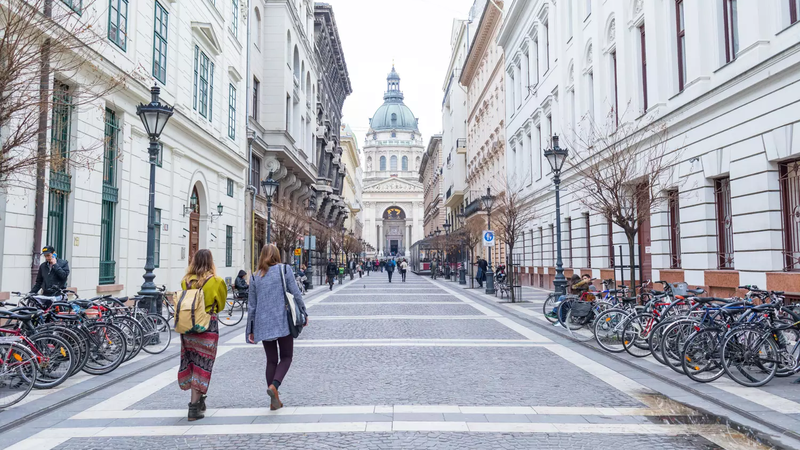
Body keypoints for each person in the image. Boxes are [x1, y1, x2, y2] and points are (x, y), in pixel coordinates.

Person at [247, 244, 308, 411]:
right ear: (277, 255)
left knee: (271, 360)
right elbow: (295, 293)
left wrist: (250, 329)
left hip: (263, 322)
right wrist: (304, 313)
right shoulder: (284, 270)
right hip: (282, 320)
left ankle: (273, 400)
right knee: (286, 357)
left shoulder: (254, 277)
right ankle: (274, 386)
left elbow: (251, 306)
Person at [178, 249, 228, 422]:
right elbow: (220, 305)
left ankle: (198, 402)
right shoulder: (216, 281)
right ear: (210, 262)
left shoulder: (185, 281)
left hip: (188, 330)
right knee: (203, 365)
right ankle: (194, 406)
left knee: (193, 364)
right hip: (207, 328)